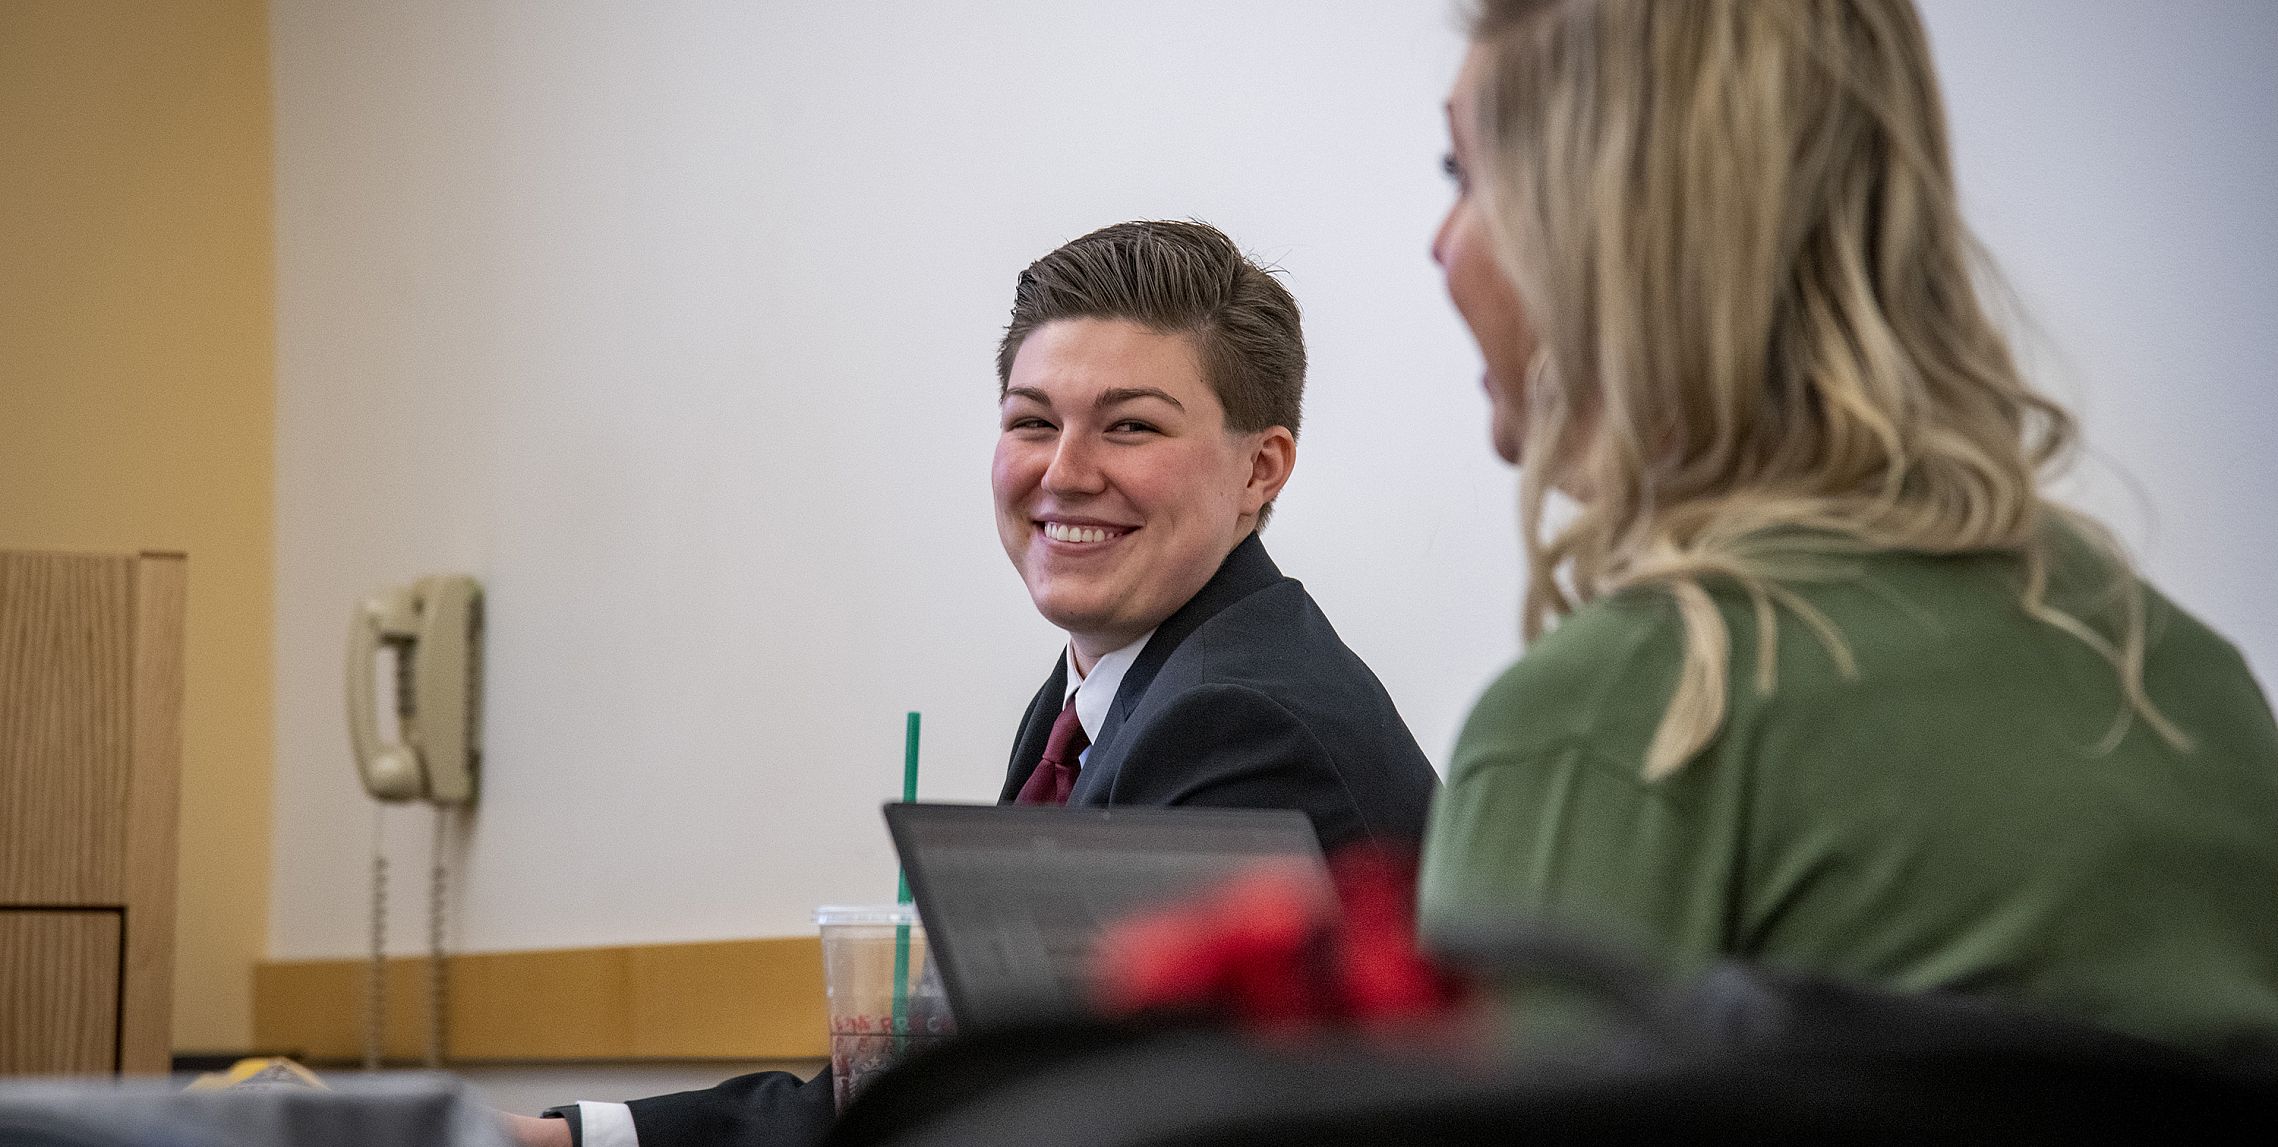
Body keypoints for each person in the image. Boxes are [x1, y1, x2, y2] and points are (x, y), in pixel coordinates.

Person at [1416, 0, 2278, 1054]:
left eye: (1462, 174)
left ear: (1600, 231)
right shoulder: (2203, 697)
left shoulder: (1614, 720)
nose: (1438, 244)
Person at [511, 220, 1439, 1147]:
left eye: (1130, 426)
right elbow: (959, 1076)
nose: (1063, 472)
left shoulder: (1237, 720)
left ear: (1260, 467)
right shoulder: (1099, 695)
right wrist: (568, 1138)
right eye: (1033, 421)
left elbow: (1042, 1109)